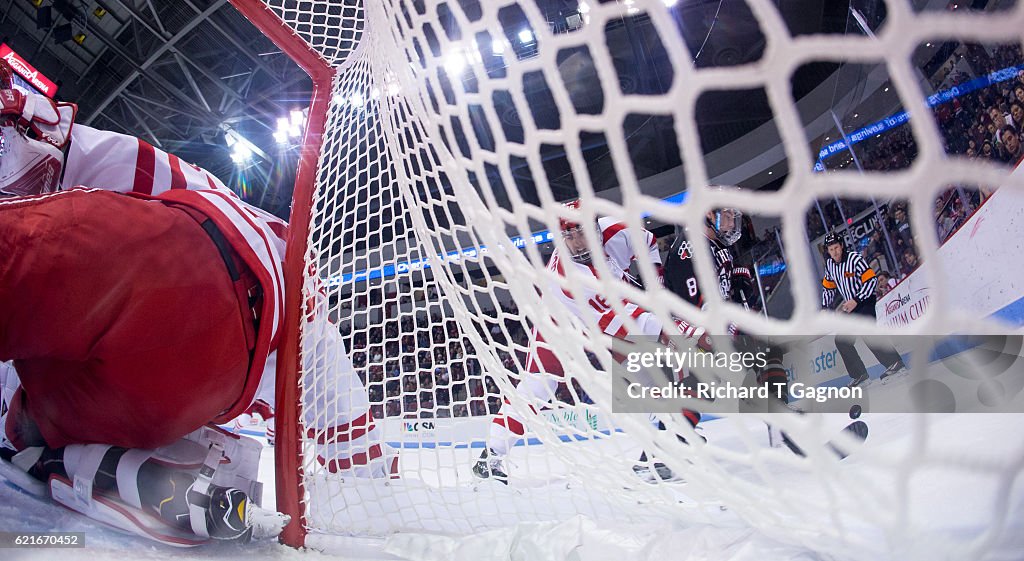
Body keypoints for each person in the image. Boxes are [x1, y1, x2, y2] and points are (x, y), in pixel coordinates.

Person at [0, 67, 395, 544]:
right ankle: (149, 464)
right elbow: (353, 435)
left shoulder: (83, 156)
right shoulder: (302, 300)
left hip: (167, 264)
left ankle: (89, 459)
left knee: (21, 423)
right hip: (224, 358)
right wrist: (372, 470)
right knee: (45, 408)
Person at [472, 200, 700, 484]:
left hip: (610, 307)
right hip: (559, 320)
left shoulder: (618, 230)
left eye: (580, 233)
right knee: (540, 383)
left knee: (642, 370)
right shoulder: (568, 276)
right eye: (567, 237)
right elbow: (618, 322)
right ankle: (491, 455)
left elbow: (649, 242)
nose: (576, 243)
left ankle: (662, 444)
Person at [820, 232, 907, 387]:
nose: (834, 252)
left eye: (836, 248)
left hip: (864, 300)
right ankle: (860, 375)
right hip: (851, 306)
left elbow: (871, 280)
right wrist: (825, 307)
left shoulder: (854, 258)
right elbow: (828, 288)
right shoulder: (830, 266)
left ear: (842, 246)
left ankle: (895, 364)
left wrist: (856, 300)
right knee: (841, 341)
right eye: (831, 249)